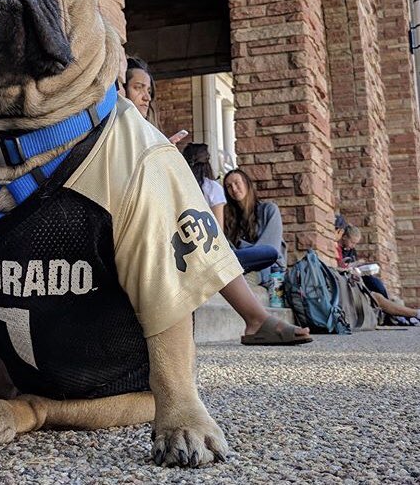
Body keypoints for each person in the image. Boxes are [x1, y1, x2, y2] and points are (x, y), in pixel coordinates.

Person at [124, 59, 311, 345]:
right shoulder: (118, 132)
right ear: (120, 90)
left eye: (149, 90)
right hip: (145, 235)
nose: (146, 96)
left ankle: (254, 315)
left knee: (228, 244)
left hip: (182, 241)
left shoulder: (147, 135)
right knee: (206, 236)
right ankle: (254, 317)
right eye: (138, 88)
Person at [336, 222, 420, 322]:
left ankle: (401, 314)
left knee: (376, 282)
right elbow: (339, 267)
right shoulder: (336, 248)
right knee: (377, 296)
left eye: (355, 243)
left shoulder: (349, 250)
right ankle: (410, 314)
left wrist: (359, 265)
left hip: (354, 277)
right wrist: (352, 266)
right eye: (352, 242)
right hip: (346, 282)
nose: (353, 246)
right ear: (344, 236)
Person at [222, 169, 286, 284]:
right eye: (229, 186)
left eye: (237, 183)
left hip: (268, 269)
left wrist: (243, 251)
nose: (234, 189)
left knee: (243, 283)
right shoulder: (229, 218)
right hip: (241, 268)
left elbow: (270, 249)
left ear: (246, 183)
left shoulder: (269, 210)